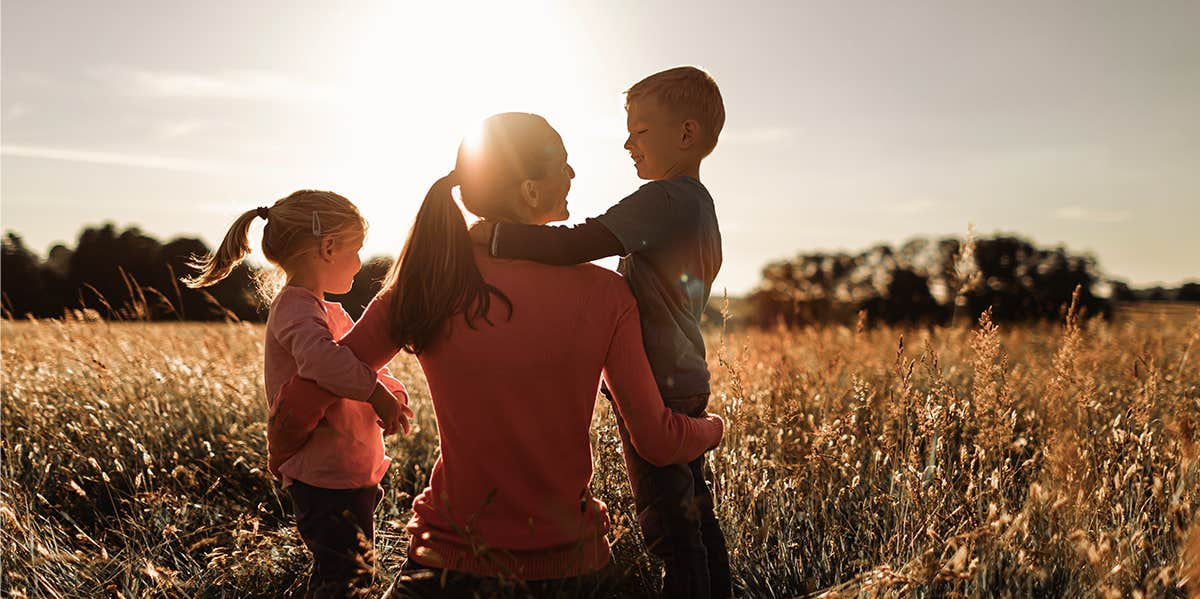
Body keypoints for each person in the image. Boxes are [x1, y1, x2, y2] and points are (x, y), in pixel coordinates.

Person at [271, 112, 725, 598]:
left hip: (447, 562)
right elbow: (656, 440)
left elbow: (311, 389)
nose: (572, 175)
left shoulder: (426, 283)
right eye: (563, 164)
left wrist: (284, 450)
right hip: (571, 568)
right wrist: (713, 427)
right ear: (529, 190)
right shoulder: (607, 293)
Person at [468, 66, 731, 598]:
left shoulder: (667, 200)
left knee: (671, 530)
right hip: (681, 377)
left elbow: (580, 243)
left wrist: (496, 237)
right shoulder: (698, 207)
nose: (628, 143)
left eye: (641, 130)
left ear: (686, 134)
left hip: (659, 385)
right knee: (695, 517)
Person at [184, 190, 412, 598]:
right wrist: (376, 394)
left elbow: (358, 366)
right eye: (356, 250)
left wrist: (390, 391)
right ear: (328, 247)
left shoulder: (330, 312)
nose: (361, 263)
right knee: (345, 580)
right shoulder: (294, 308)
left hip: (348, 470)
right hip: (323, 476)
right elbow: (323, 364)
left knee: (345, 575)